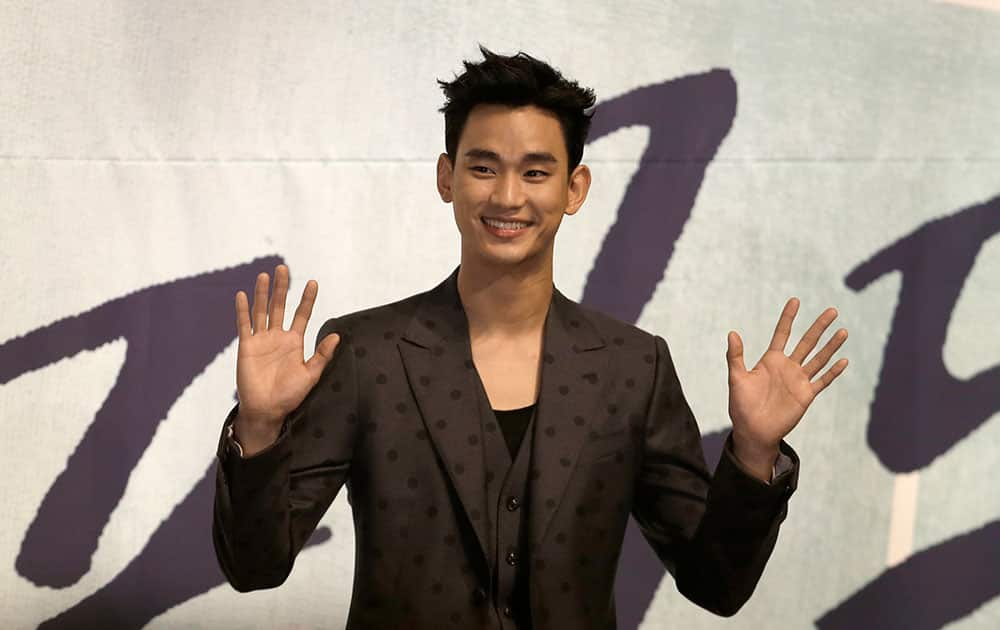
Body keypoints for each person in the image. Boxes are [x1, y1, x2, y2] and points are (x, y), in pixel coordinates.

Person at [212, 44, 849, 629]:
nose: (508, 196)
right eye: (483, 167)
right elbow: (255, 567)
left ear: (575, 188)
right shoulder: (364, 353)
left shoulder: (634, 367)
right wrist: (262, 428)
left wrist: (755, 453)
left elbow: (716, 584)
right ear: (446, 178)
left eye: (536, 173)